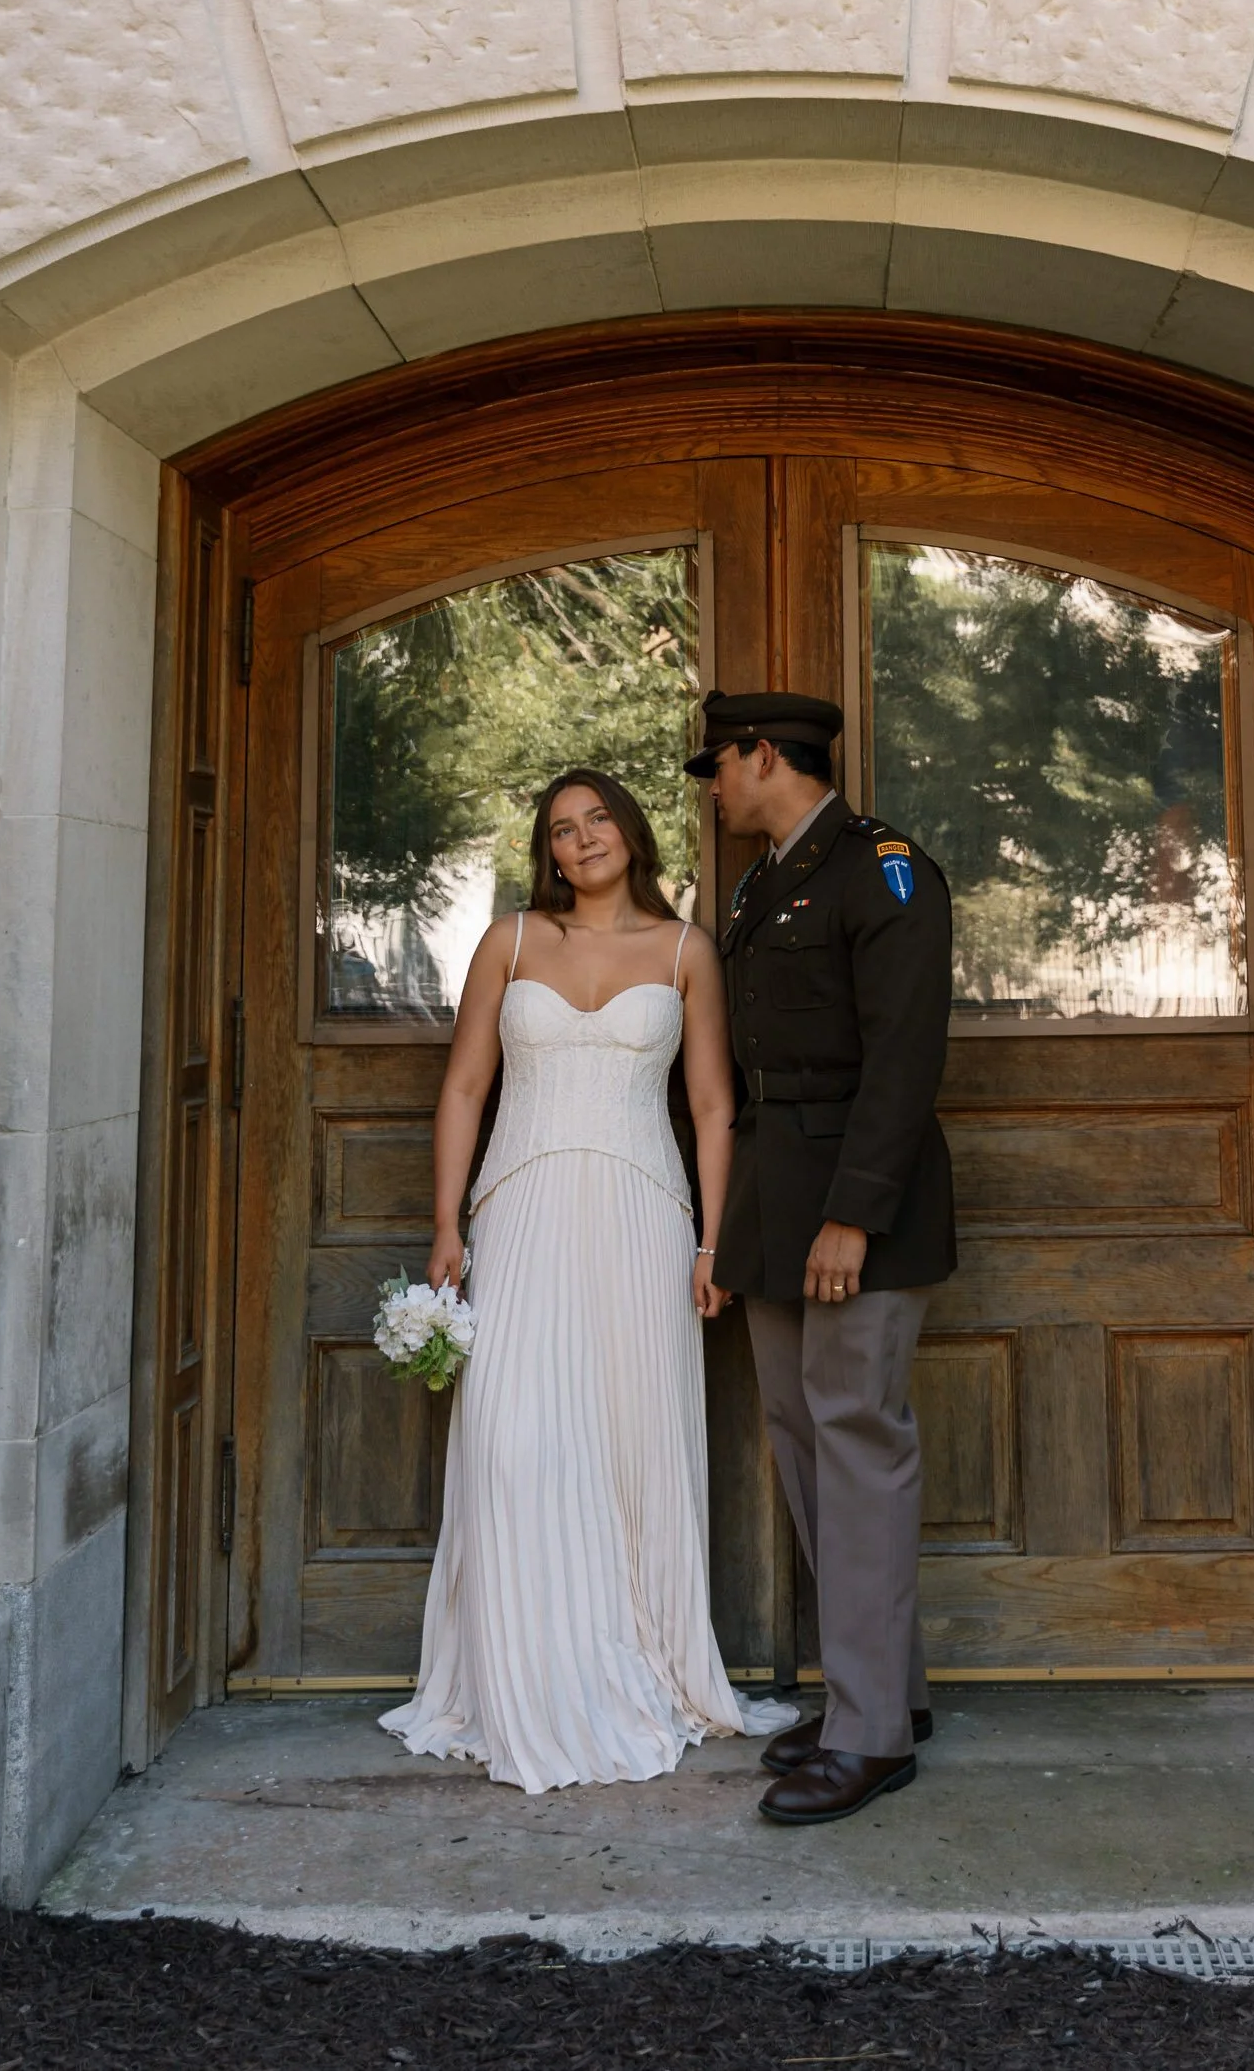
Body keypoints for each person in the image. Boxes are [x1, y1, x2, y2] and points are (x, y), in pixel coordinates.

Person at [378, 767, 796, 1792]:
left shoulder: (686, 948)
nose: (581, 840)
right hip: (517, 1210)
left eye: (595, 818)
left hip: (642, 1217)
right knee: (512, 1441)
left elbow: (709, 1107)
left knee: (629, 1442)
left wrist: (710, 1244)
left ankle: (637, 1663)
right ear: (547, 853)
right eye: (560, 831)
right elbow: (465, 1084)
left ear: (629, 830)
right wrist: (445, 1222)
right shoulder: (510, 942)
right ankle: (521, 1676)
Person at [685, 692, 956, 1825]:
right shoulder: (760, 881)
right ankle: (876, 1691)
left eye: (719, 764)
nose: (711, 785)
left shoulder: (883, 869)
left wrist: (854, 1213)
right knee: (803, 1440)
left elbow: (902, 1056)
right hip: (773, 1196)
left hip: (856, 1202)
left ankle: (871, 1738)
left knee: (855, 1440)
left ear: (763, 755)